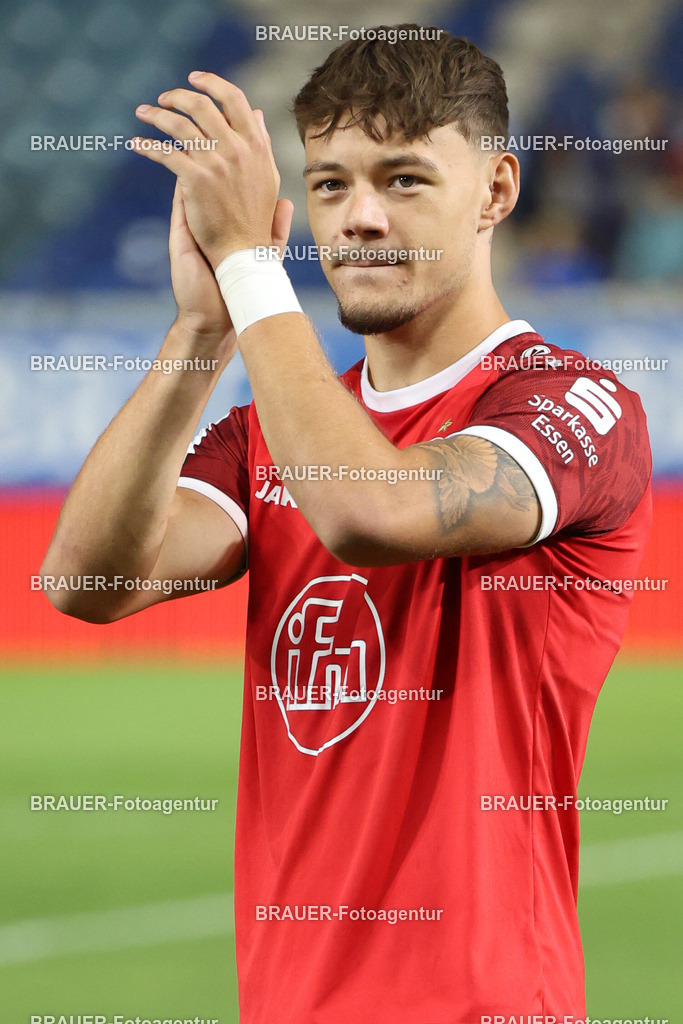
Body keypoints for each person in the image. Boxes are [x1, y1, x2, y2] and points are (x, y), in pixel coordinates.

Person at [41, 26, 652, 1023]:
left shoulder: (572, 409)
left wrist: (250, 266)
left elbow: (372, 509)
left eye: (403, 179)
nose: (360, 218)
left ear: (495, 192)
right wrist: (200, 330)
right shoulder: (263, 433)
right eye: (328, 184)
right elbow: (85, 582)